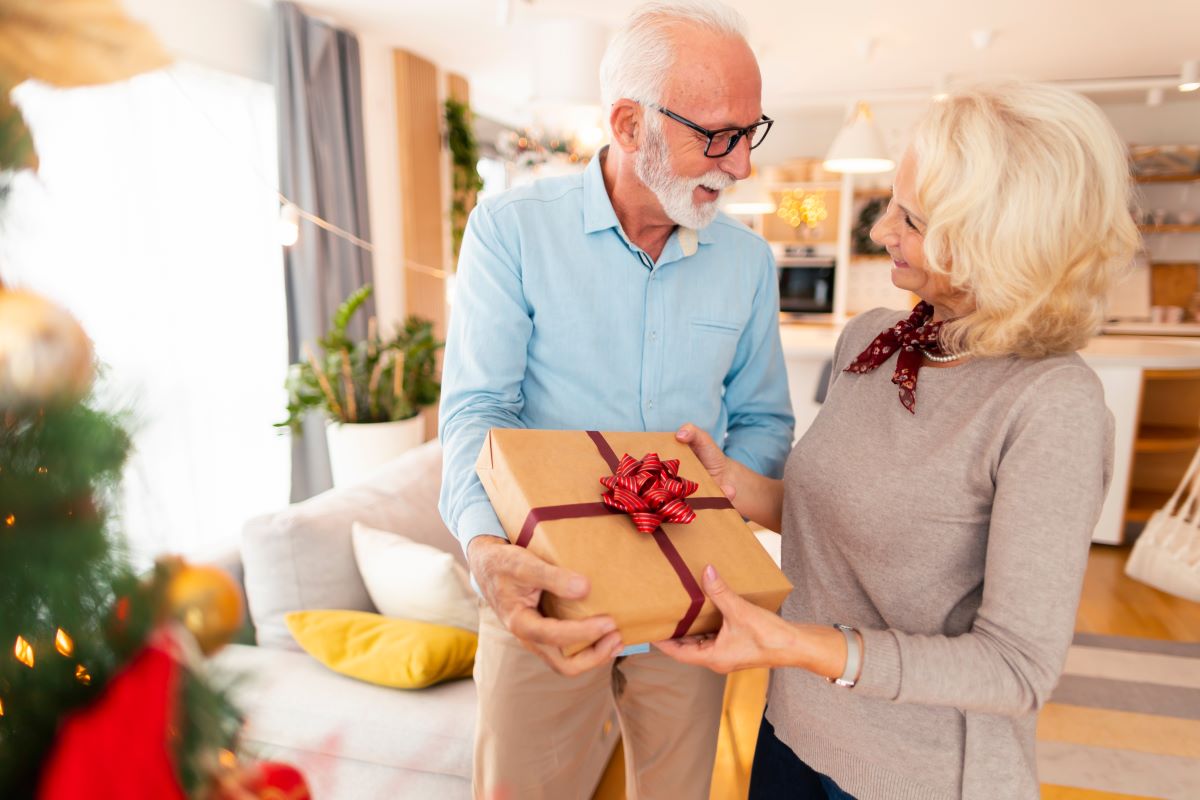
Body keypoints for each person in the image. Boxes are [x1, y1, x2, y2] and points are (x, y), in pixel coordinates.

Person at [658, 81, 1139, 800]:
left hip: (917, 775)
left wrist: (796, 646)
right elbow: (848, 527)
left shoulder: (1049, 406)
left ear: (1000, 242)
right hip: (793, 729)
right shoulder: (875, 341)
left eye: (910, 219)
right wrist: (735, 486)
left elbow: (1014, 669)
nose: (882, 230)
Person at [437, 1, 795, 797]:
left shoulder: (745, 261)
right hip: (546, 588)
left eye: (750, 132)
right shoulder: (510, 231)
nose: (740, 166)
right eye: (717, 136)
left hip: (695, 593)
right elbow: (477, 413)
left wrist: (721, 508)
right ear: (629, 125)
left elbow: (767, 419)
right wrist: (480, 547)